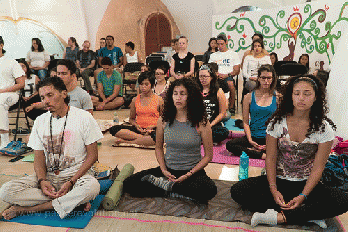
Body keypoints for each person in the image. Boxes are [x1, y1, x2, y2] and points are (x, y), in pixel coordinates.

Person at [230, 74, 348, 228]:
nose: (301, 98)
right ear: (290, 96)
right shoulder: (277, 123)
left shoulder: (324, 129)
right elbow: (271, 158)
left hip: (306, 185)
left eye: (307, 94)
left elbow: (319, 167)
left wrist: (303, 195)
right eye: (296, 93)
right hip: (278, 182)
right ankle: (307, 214)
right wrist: (273, 189)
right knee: (238, 191)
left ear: (315, 97)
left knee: (343, 200)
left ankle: (278, 217)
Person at [0, 76, 103, 220]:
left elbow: (93, 156)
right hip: (50, 177)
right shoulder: (40, 121)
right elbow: (39, 156)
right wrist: (42, 181)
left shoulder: (84, 117)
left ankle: (29, 209)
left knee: (92, 187)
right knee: (5, 191)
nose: (46, 101)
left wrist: (71, 181)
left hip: (76, 177)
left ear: (64, 94)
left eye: (50, 95)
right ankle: (71, 202)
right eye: (42, 97)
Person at [123, 78, 217, 204]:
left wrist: (188, 174)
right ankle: (173, 188)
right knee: (129, 184)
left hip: (192, 172)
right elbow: (158, 148)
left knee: (209, 191)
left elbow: (208, 156)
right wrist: (163, 170)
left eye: (182, 94)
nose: (178, 97)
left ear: (191, 96)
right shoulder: (164, 120)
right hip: (168, 170)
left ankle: (167, 188)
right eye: (175, 93)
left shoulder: (201, 122)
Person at [226, 64, 279, 159]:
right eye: (263, 78)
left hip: (271, 138)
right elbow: (245, 122)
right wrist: (250, 140)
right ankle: (262, 155)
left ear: (273, 79)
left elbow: (281, 122)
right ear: (258, 78)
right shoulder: (248, 97)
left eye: (269, 78)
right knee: (230, 145)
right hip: (254, 136)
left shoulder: (278, 97)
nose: (266, 81)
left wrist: (272, 143)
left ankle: (255, 151)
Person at [25, 59, 94, 118]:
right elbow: (45, 103)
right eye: (58, 73)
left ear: (73, 76)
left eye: (64, 74)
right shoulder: (53, 92)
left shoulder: (83, 95)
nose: (60, 76)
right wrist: (33, 106)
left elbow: (89, 119)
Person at [109, 72, 163, 147]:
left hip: (153, 129)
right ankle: (144, 139)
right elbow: (131, 119)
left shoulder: (159, 100)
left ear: (152, 85)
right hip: (138, 130)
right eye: (141, 84)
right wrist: (137, 126)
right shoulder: (135, 100)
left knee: (158, 136)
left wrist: (153, 126)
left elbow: (164, 119)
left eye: (146, 84)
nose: (143, 87)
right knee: (113, 129)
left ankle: (129, 142)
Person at [0, 36, 26, 149]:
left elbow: (21, 84)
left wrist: (2, 90)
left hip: (11, 94)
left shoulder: (11, 62)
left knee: (0, 102)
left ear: (1, 45)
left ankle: (5, 141)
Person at [209, 33, 240, 115]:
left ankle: (231, 107)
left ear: (226, 42)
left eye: (222, 44)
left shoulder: (234, 54)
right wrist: (216, 74)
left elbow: (237, 70)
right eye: (218, 44)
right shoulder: (213, 55)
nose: (220, 46)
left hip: (228, 76)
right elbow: (210, 68)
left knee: (230, 84)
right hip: (216, 76)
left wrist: (227, 75)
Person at [198, 64, 229, 144]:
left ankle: (201, 139)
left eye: (205, 76)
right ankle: (204, 138)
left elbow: (222, 113)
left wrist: (210, 125)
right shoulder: (195, 90)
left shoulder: (219, 91)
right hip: (197, 124)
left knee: (223, 132)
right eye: (200, 76)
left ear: (211, 77)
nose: (202, 79)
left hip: (212, 124)